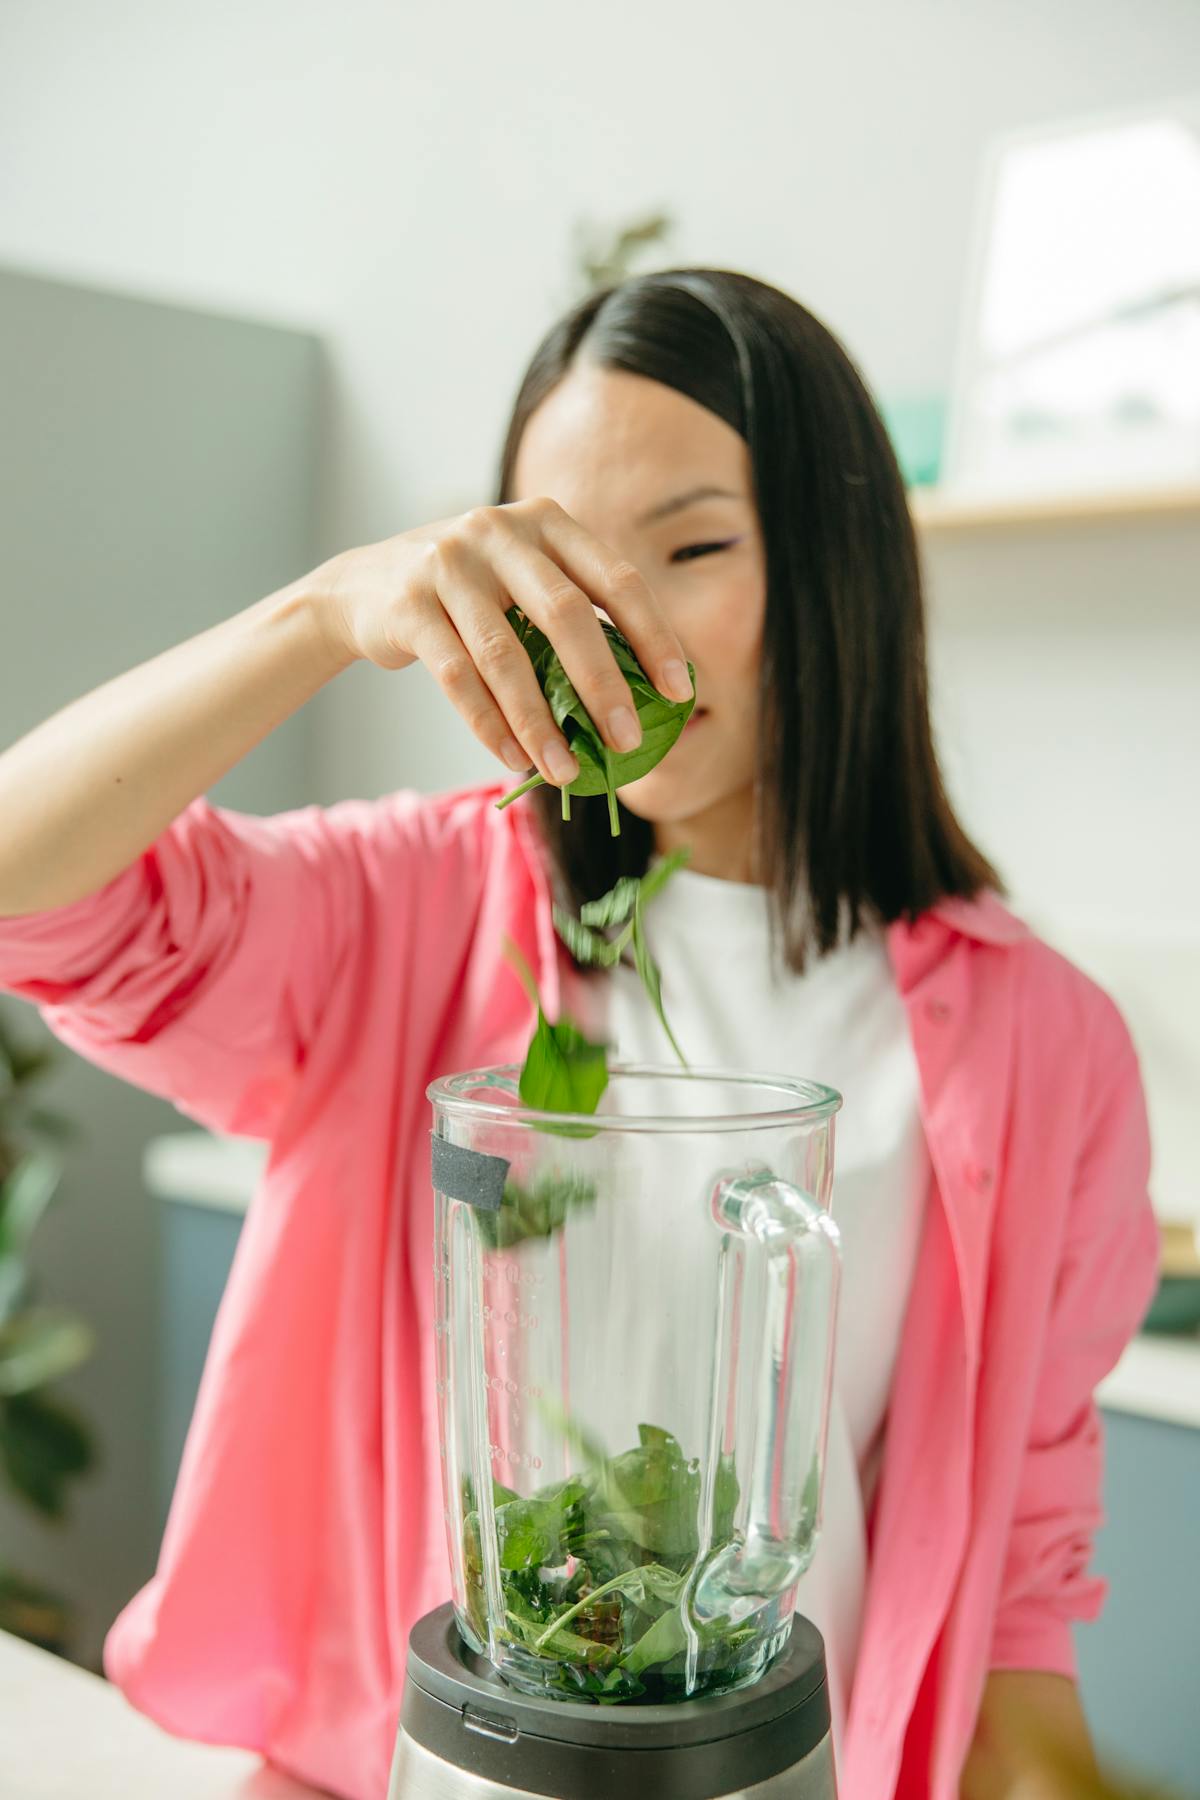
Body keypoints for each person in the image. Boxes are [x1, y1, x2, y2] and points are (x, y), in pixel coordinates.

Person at [0, 269, 1158, 1800]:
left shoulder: (1042, 1041)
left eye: (691, 547)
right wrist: (323, 612)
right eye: (558, 564)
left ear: (837, 572)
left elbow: (1020, 1577)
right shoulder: (413, 907)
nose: (615, 625)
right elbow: (30, 889)